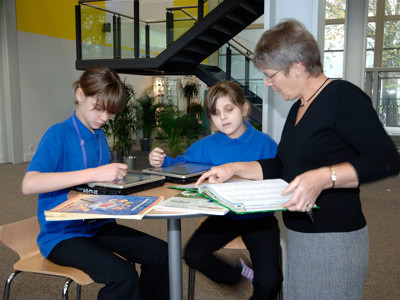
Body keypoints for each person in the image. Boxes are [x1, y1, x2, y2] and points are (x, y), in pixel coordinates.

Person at [196, 19, 400, 300]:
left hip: (335, 240)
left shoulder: (343, 98)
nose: (267, 83)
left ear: (298, 66)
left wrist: (325, 176)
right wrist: (234, 168)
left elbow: (386, 158)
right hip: (301, 236)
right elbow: (282, 166)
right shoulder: (298, 108)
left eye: (271, 75)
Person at [21, 65, 169, 300]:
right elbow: (29, 184)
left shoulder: (98, 136)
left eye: (110, 112)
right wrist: (93, 173)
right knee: (123, 275)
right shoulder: (57, 134)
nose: (104, 118)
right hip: (62, 235)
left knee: (162, 253)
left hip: (97, 226)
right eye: (98, 109)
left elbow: (95, 186)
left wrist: (118, 183)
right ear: (80, 95)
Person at [149, 81, 282, 299]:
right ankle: (239, 273)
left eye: (229, 109)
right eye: (216, 113)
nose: (223, 118)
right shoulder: (205, 146)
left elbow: (281, 174)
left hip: (260, 218)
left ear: (245, 108)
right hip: (223, 215)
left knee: (270, 282)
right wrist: (161, 161)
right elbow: (181, 166)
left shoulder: (265, 144)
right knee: (193, 254)